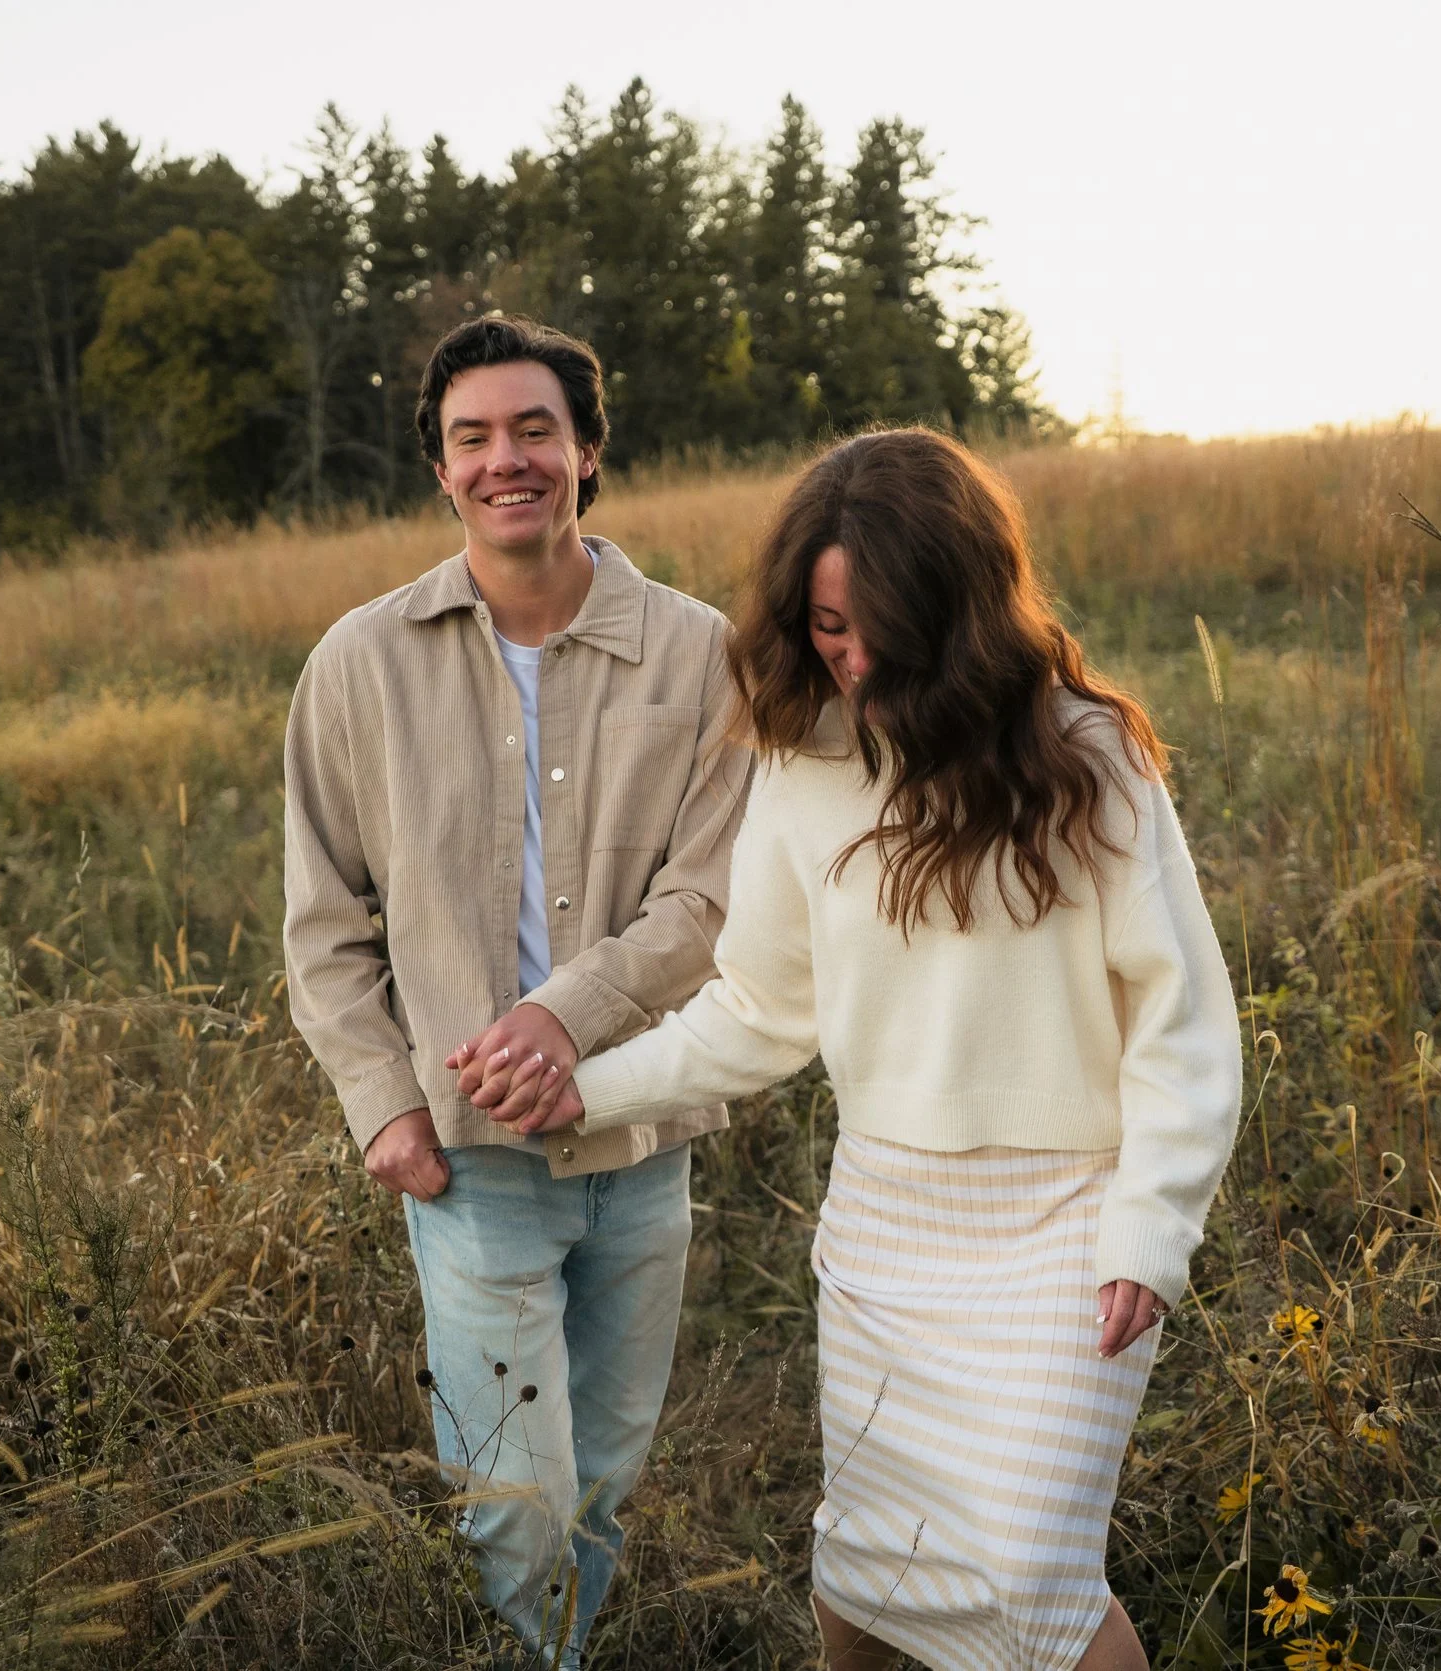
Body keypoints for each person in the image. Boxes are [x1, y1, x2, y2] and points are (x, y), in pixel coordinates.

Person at [475, 428, 1243, 1671]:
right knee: (869, 1569)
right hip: (887, 1220)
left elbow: (1182, 1019)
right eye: (826, 626)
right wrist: (581, 1093)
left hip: (1065, 1227)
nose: (854, 656)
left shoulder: (1087, 757)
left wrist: (1151, 1229)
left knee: (1028, 1577)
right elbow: (758, 1013)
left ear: (962, 605)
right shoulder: (804, 767)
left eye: (880, 624)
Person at [281, 315, 751, 1667]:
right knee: (516, 1498)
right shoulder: (358, 666)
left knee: (601, 1471)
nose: (508, 460)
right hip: (467, 1160)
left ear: (588, 448)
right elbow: (323, 923)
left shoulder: (698, 654)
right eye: (474, 435)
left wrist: (567, 1016)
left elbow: (712, 899)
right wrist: (383, 1104)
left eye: (535, 429)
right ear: (440, 463)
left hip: (643, 1136)